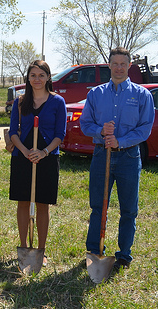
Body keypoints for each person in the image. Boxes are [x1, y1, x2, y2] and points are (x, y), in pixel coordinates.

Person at [80, 47, 154, 270]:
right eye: (115, 63)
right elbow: (85, 124)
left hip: (129, 157)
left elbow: (145, 129)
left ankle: (123, 255)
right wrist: (101, 132)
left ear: (129, 65)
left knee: (129, 209)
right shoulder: (95, 94)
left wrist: (120, 141)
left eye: (123, 63)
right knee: (97, 206)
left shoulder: (142, 95)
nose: (119, 68)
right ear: (109, 65)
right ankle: (94, 251)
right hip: (102, 155)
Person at [9, 60, 66, 266]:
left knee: (43, 204)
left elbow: (60, 134)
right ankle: (24, 247)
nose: (37, 79)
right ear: (28, 78)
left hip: (47, 157)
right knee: (23, 202)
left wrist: (43, 152)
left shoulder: (58, 102)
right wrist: (25, 152)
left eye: (41, 75)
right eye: (33, 75)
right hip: (23, 157)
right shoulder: (20, 102)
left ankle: (41, 250)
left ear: (48, 77)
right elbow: (13, 131)